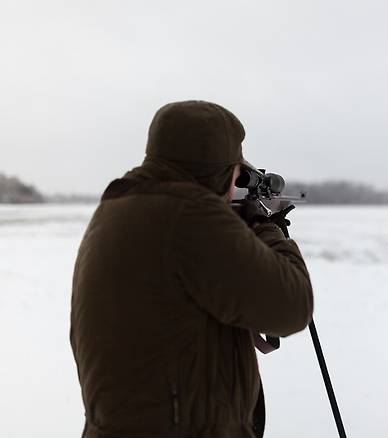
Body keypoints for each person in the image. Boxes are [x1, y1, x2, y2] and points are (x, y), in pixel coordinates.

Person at [70, 100, 314, 438]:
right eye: (235, 175)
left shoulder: (119, 208)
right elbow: (292, 306)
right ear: (219, 171)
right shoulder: (190, 218)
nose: (235, 187)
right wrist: (264, 224)